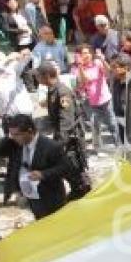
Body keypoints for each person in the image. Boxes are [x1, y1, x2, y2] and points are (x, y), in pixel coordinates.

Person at [0, 114, 68, 219]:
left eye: (17, 134)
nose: (14, 138)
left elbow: (64, 168)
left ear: (30, 131)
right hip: (30, 196)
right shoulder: (15, 145)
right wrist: (9, 136)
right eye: (12, 135)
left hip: (50, 197)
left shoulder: (51, 146)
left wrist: (43, 174)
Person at [35, 61, 90, 200]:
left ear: (46, 75)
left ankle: (84, 191)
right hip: (62, 134)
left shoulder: (62, 91)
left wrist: (59, 144)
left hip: (70, 136)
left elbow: (66, 121)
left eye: (38, 76)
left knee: (74, 165)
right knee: (66, 166)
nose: (37, 79)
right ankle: (77, 189)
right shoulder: (52, 90)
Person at [73, 44, 120, 151]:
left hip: (105, 99)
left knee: (112, 123)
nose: (86, 55)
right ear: (78, 56)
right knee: (95, 125)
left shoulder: (97, 63)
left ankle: (118, 145)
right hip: (90, 102)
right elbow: (83, 81)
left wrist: (103, 60)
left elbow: (109, 73)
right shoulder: (76, 69)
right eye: (83, 53)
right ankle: (99, 149)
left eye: (88, 52)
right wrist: (80, 66)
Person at [109, 54, 131, 145]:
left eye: (114, 67)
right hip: (119, 120)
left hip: (130, 126)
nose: (112, 70)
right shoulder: (116, 81)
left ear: (125, 68)